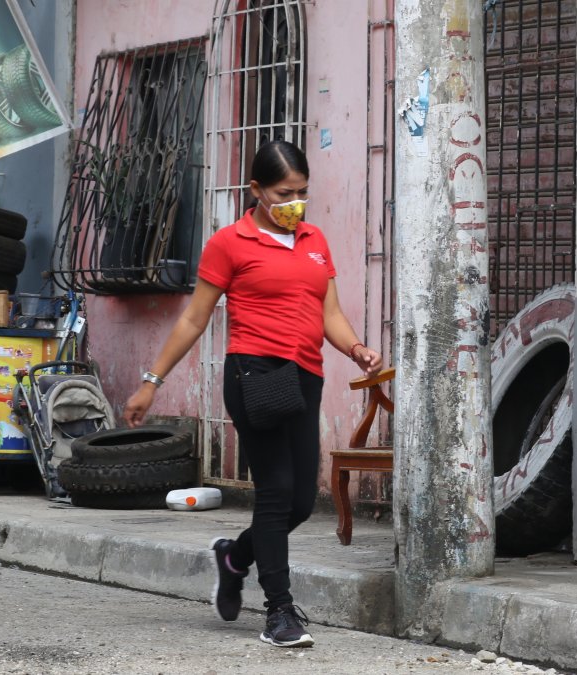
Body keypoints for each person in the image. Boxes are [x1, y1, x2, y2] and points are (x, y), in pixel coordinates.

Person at [123, 140, 382, 648]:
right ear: (257, 191)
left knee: (303, 503)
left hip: (305, 376)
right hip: (255, 374)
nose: (296, 203)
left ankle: (234, 557)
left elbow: (328, 312)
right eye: (285, 193)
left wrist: (356, 347)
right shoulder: (230, 243)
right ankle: (280, 612)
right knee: (276, 492)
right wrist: (151, 383)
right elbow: (195, 318)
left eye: (303, 192)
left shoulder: (314, 239)